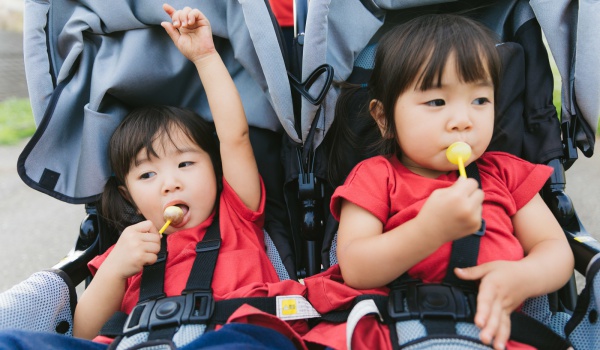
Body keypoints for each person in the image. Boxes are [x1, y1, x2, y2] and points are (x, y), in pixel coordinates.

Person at [302, 14, 574, 350]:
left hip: (496, 331)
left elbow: (557, 251)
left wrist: (522, 277)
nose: (462, 121)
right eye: (436, 102)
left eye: (480, 100)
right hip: (392, 329)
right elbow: (356, 267)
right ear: (384, 119)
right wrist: (428, 231)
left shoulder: (506, 174)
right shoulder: (376, 176)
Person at [70, 4, 306, 348]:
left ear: (215, 168)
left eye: (185, 165)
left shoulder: (237, 214)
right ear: (126, 194)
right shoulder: (130, 251)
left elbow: (234, 137)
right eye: (148, 174)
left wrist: (206, 56)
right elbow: (83, 336)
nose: (171, 183)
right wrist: (114, 269)